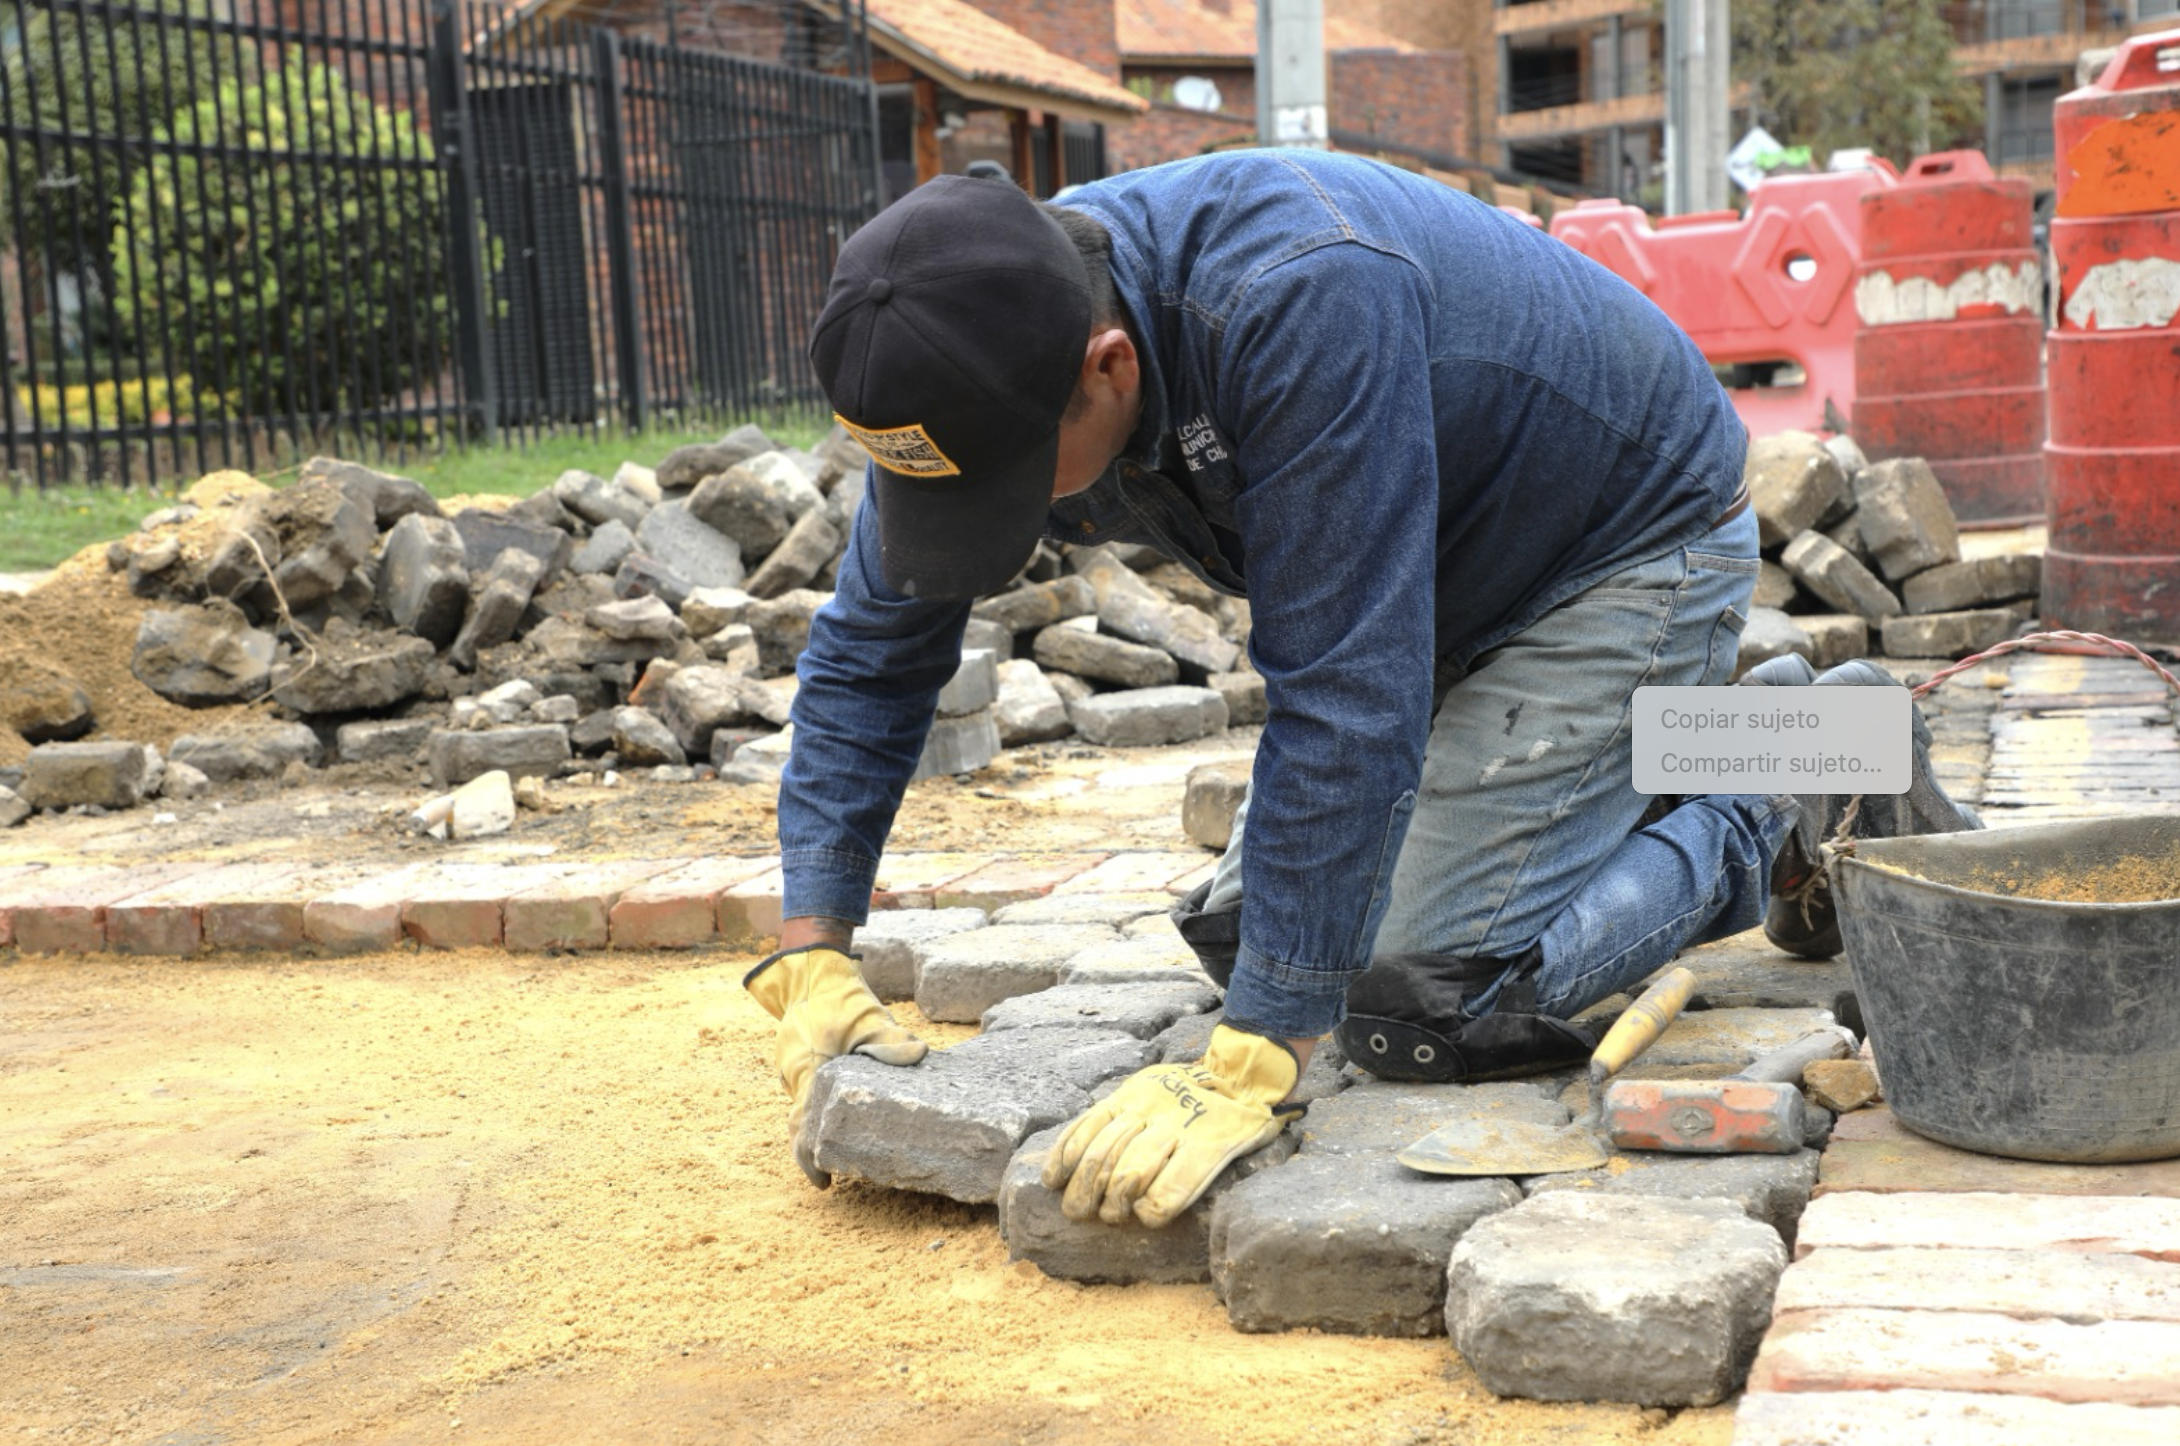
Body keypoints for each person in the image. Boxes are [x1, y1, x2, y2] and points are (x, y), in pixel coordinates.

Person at [739, 150, 1977, 1226]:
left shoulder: (1292, 298)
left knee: (1415, 996)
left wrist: (1255, 1060)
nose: (1001, 515)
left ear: (1108, 364)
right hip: (1432, 572)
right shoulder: (967, 344)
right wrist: (812, 951)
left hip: (1617, 543)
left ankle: (1800, 764)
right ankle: (1694, 743)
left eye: (1009, 488)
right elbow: (870, 648)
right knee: (1252, 942)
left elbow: (1347, 698)